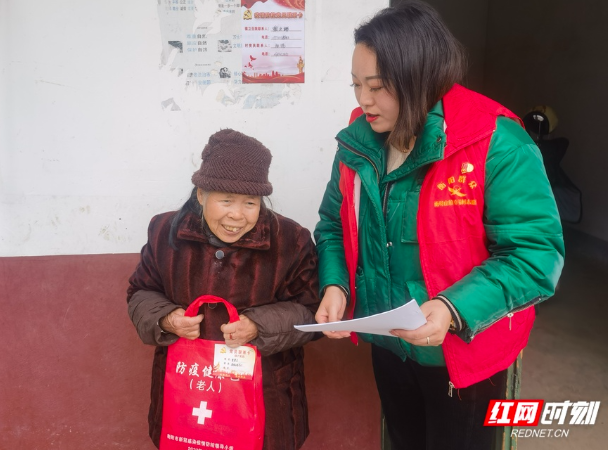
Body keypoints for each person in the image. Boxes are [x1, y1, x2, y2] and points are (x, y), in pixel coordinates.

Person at [313, 2, 564, 449]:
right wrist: (337, 286)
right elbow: (333, 223)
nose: (363, 100)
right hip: (388, 345)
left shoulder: (493, 140)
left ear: (420, 77)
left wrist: (452, 309)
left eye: (378, 86)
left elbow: (535, 255)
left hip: (464, 354)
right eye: (356, 85)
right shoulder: (360, 139)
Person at [127, 129, 319, 450]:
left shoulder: (291, 241)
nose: (236, 215)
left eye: (250, 203)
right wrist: (166, 319)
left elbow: (313, 313)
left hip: (265, 403)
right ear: (201, 195)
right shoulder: (164, 231)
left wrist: (259, 326)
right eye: (226, 200)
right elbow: (140, 292)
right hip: (187, 397)